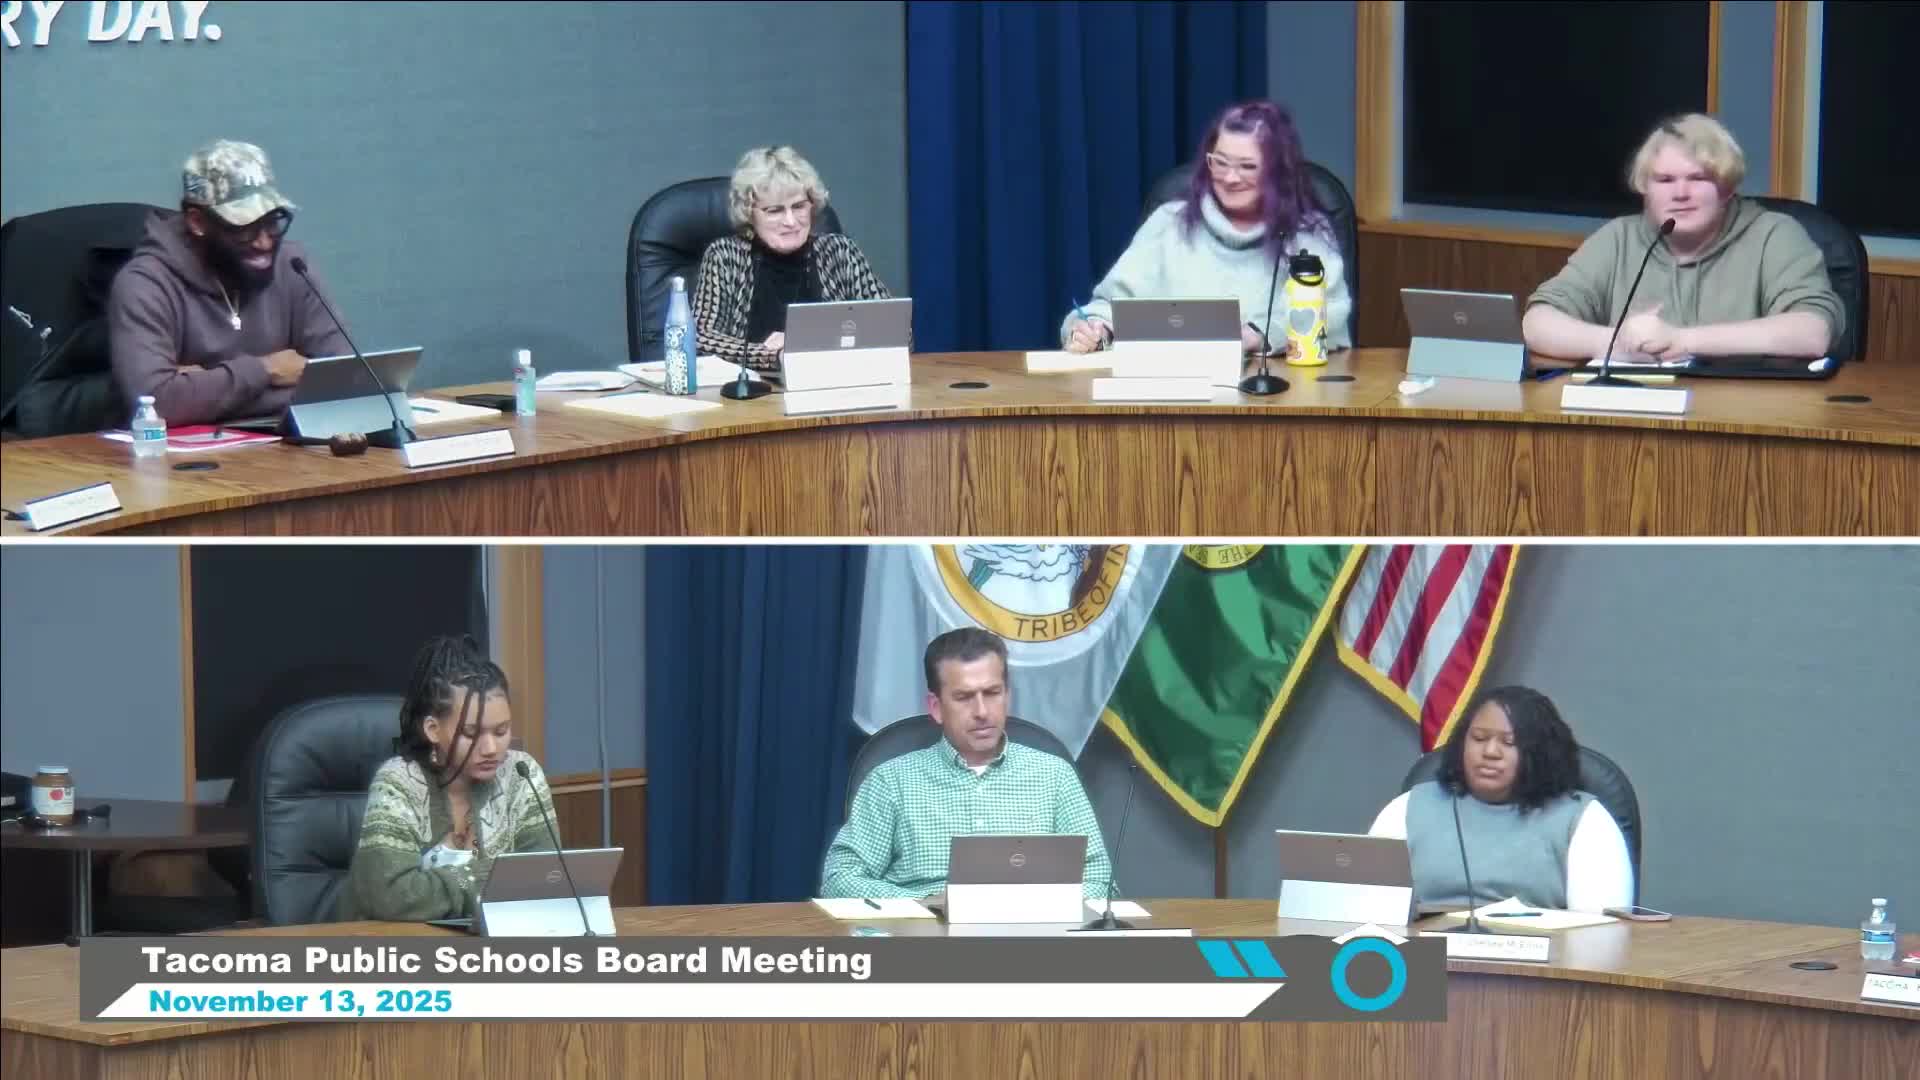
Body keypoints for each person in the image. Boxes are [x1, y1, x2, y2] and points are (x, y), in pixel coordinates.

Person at [820, 628, 1112, 900]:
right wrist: (925, 904)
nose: (982, 711)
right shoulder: (891, 781)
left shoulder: (1054, 775)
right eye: (964, 697)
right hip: (924, 930)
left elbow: (1099, 880)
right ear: (936, 707)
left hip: (1034, 930)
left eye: (992, 693)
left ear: (1007, 696)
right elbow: (839, 880)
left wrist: (1041, 905)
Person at [1523, 113, 1842, 362]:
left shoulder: (1775, 235)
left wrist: (1681, 341)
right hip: (1638, 415)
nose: (1680, 193)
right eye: (1665, 180)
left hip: (1746, 416)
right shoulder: (1619, 238)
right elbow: (1538, 322)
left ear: (1726, 188)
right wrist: (1618, 344)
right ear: (1646, 190)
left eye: (1697, 178)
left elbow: (1813, 332)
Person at [1062, 99, 1352, 361]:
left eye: (1247, 167)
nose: (1230, 178)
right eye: (1220, 163)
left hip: (1279, 392)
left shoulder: (1306, 235)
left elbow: (1331, 318)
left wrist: (1256, 336)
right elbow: (1110, 306)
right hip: (1172, 390)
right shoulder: (1168, 223)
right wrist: (1093, 329)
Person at [106, 139, 352, 427]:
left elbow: (345, 380)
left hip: (285, 444)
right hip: (182, 455)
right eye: (245, 228)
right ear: (197, 222)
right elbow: (156, 404)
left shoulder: (293, 266)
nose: (264, 243)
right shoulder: (145, 284)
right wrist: (267, 370)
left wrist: (203, 388)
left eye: (272, 222)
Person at [337, 635, 560, 922]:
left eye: (501, 731)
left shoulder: (521, 773)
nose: (491, 748)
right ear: (433, 729)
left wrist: (461, 884)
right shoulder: (397, 783)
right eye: (471, 733)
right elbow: (390, 897)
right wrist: (488, 878)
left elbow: (547, 876)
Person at [1367, 685, 1633, 914]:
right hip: (1424, 956)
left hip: (1539, 957)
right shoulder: (1408, 808)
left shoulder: (1585, 820)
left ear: (1541, 753)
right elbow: (1368, 912)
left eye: (1509, 742)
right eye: (1479, 738)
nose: (1490, 752)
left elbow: (1600, 935)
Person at [692, 145, 893, 374]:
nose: (790, 221)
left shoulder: (840, 251)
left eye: (798, 206)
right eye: (774, 211)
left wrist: (803, 343)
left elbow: (895, 331)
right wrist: (773, 356)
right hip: (754, 391)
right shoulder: (725, 256)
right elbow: (699, 338)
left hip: (834, 382)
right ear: (749, 214)